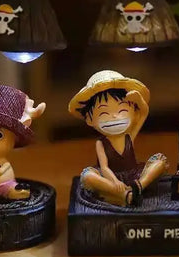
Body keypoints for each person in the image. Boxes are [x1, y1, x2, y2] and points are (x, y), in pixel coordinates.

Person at [68, 70, 168, 207]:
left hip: (134, 176)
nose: (115, 117)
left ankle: (138, 187)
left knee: (160, 161)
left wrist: (139, 101)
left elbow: (144, 112)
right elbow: (104, 167)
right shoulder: (101, 143)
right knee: (87, 177)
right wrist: (115, 182)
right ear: (90, 120)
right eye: (104, 113)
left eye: (122, 111)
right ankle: (124, 195)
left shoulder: (129, 136)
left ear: (134, 113)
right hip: (110, 179)